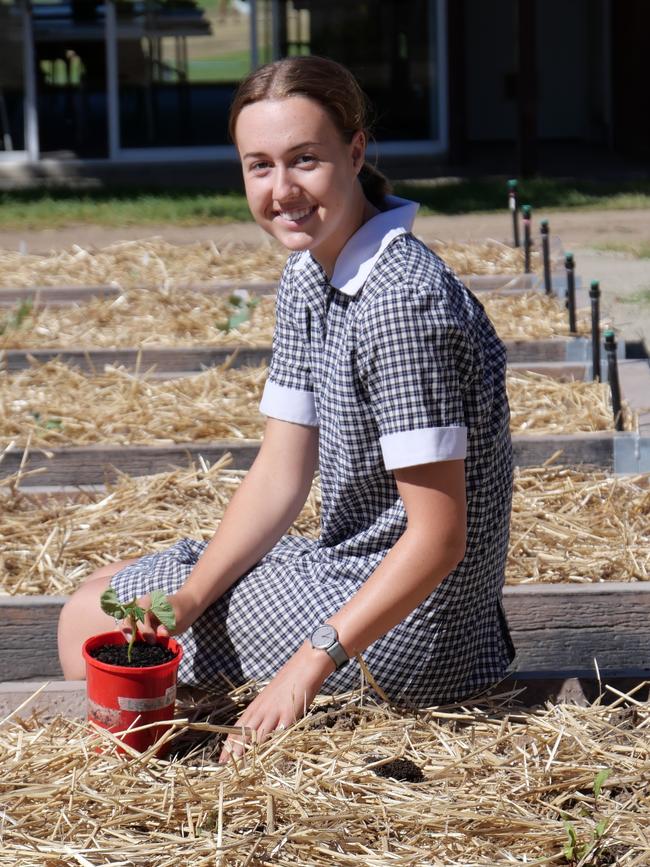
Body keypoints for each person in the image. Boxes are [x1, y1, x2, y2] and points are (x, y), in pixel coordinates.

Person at [57, 55, 515, 762]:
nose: (282, 190)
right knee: (124, 587)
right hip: (354, 573)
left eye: (305, 160)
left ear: (355, 151)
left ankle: (170, 773)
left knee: (88, 619)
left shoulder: (399, 303)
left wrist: (305, 668)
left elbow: (439, 539)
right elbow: (280, 471)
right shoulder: (309, 273)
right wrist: (192, 598)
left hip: (421, 628)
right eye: (259, 166)